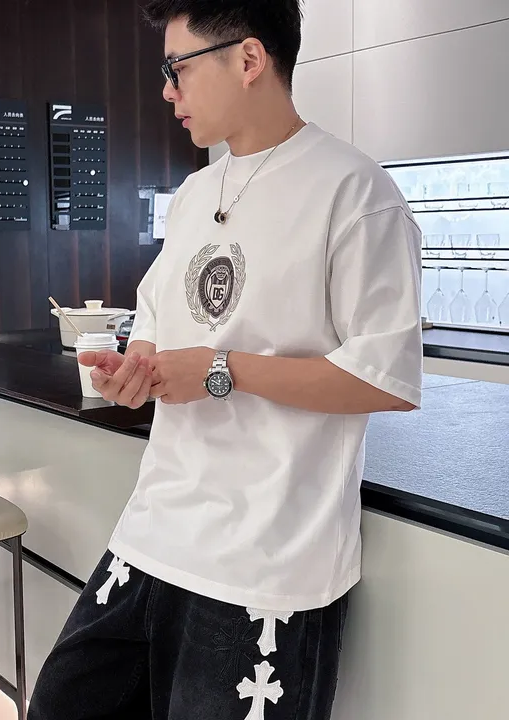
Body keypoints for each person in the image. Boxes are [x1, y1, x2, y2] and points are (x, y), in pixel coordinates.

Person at [28, 0, 423, 717]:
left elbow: (384, 379)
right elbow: (155, 325)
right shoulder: (193, 194)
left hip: (266, 564)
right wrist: (137, 371)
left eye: (177, 69)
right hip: (152, 534)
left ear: (248, 59)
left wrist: (222, 370)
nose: (167, 92)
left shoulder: (356, 193)